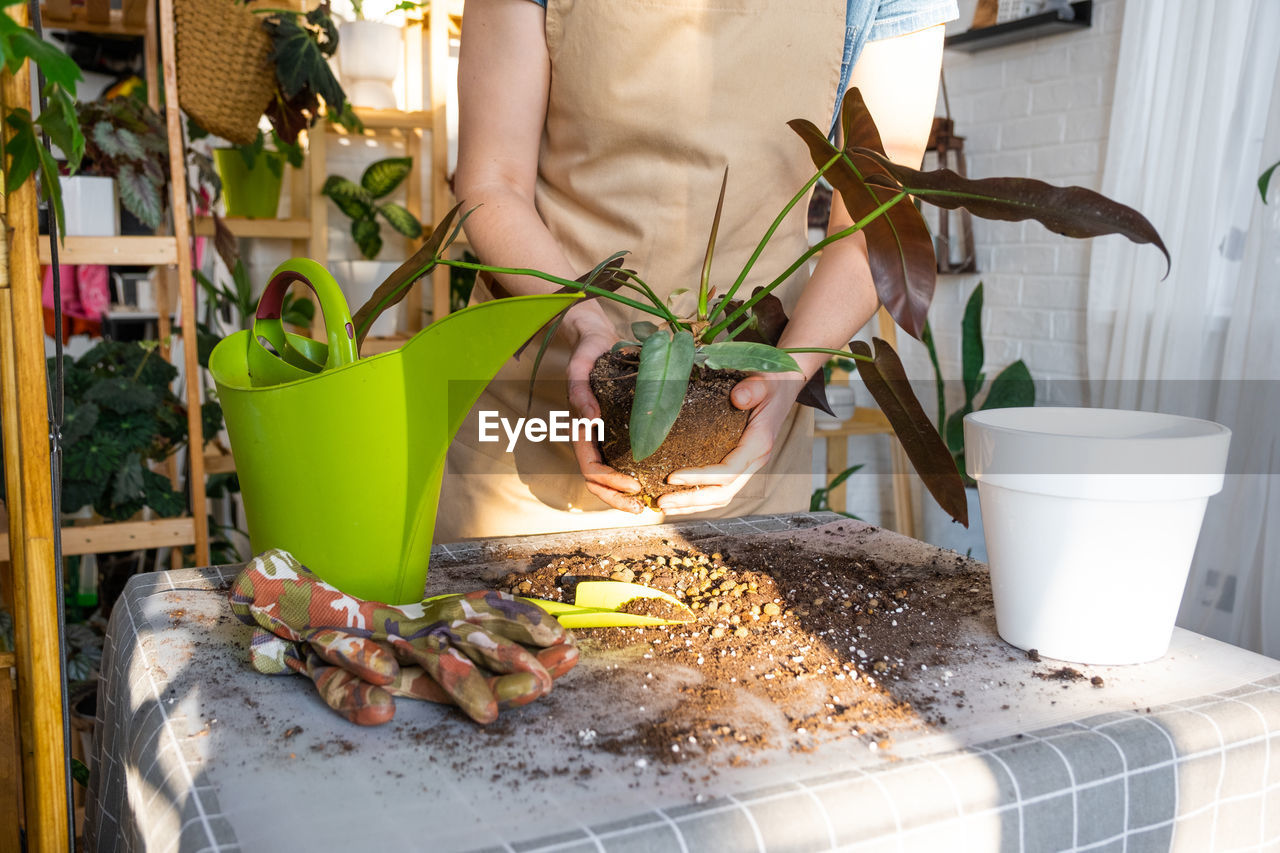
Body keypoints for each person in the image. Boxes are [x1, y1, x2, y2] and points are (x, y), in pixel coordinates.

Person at [435, 0, 957, 542]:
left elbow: (872, 221)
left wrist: (786, 375)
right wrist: (582, 322)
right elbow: (493, 183)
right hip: (537, 404)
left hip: (745, 413)